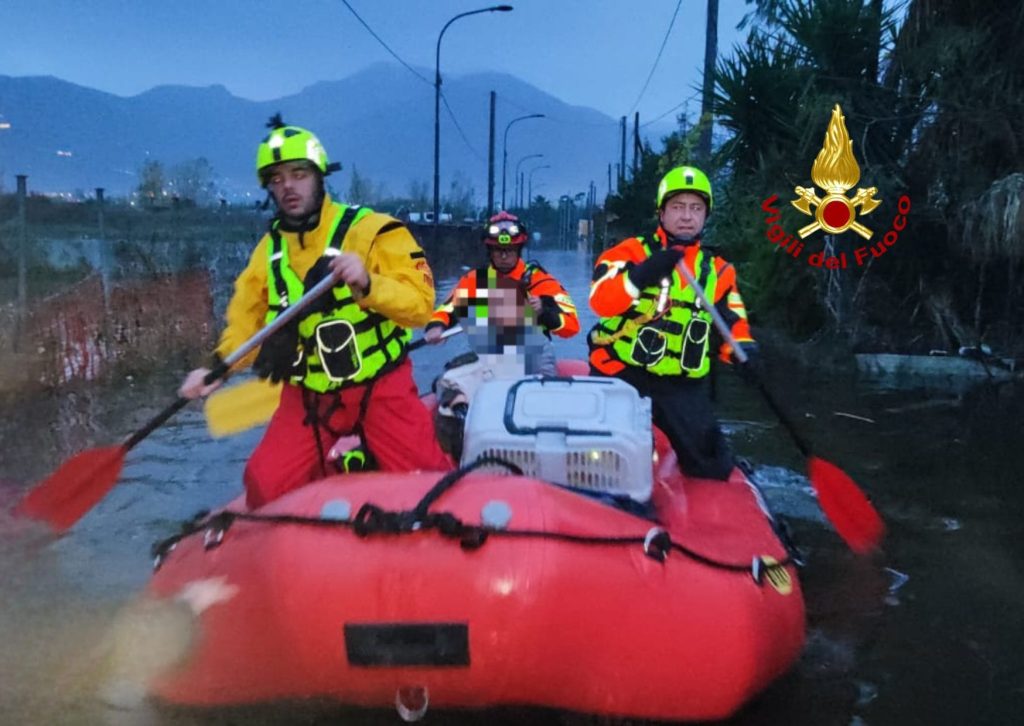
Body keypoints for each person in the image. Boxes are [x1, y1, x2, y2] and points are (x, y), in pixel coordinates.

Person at [180, 116, 451, 508]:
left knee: (430, 487)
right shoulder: (266, 255)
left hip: (380, 387)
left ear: (319, 175)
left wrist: (368, 284)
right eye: (276, 179)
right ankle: (332, 488)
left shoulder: (374, 230)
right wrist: (216, 367)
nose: (288, 186)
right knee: (263, 485)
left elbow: (420, 306)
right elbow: (246, 327)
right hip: (310, 394)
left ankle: (371, 474)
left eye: (298, 173)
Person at [588, 166, 757, 481]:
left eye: (696, 208)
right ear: (661, 213)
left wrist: (744, 352)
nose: (686, 216)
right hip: (621, 372)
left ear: (706, 216)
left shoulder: (719, 270)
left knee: (713, 468)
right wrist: (641, 274)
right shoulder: (628, 253)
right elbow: (600, 301)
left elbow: (732, 323)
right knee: (608, 462)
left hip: (681, 383)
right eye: (677, 207)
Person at [423, 211, 580, 370]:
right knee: (447, 382)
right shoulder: (475, 281)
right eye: (498, 250)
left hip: (533, 358)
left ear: (518, 250)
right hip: (489, 358)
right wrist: (437, 326)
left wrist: (544, 312)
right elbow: (447, 309)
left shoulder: (541, 281)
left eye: (510, 250)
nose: (504, 256)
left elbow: (572, 326)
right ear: (490, 252)